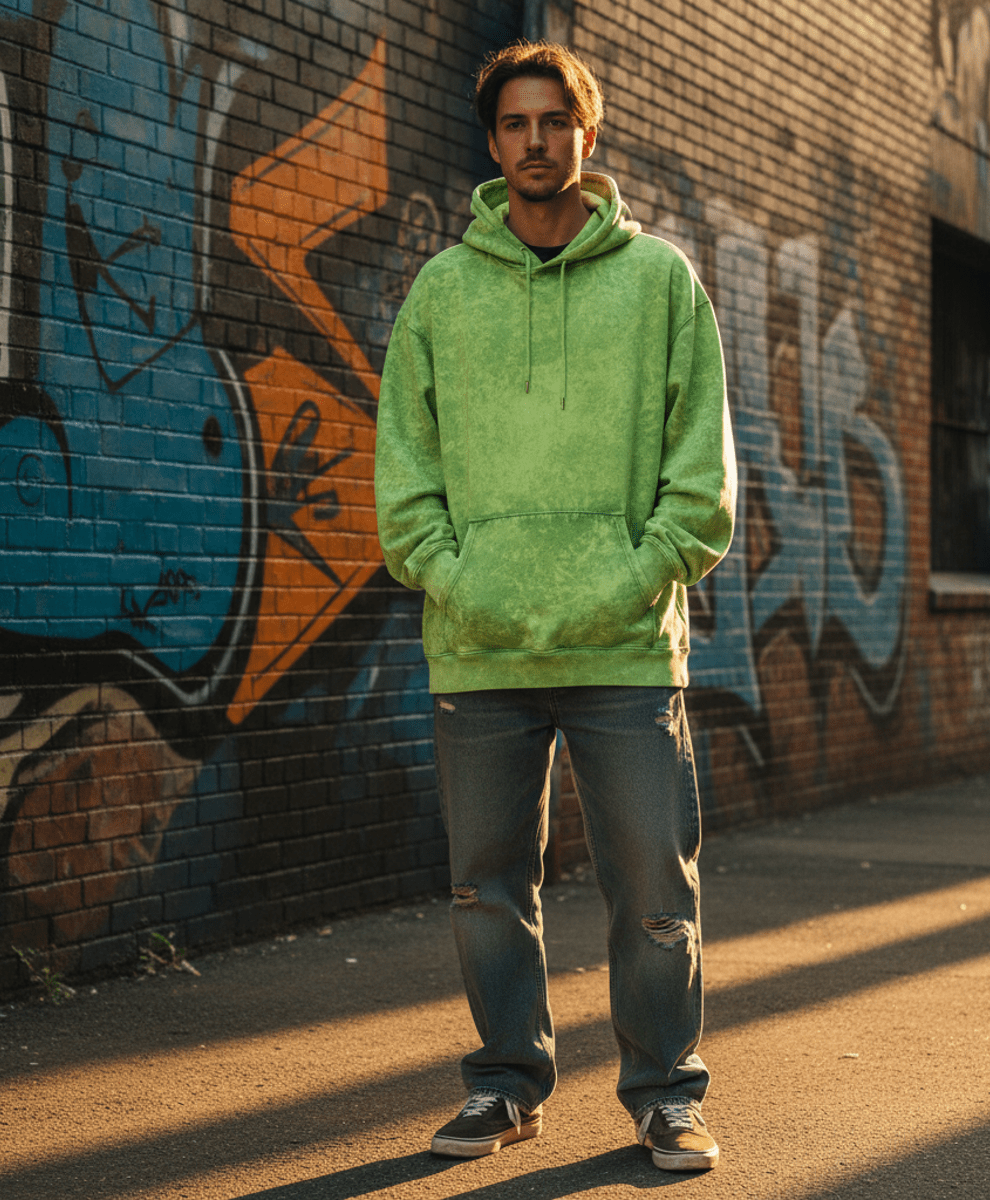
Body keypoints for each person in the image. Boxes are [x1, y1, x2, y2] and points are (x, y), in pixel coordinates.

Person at [374, 39, 735, 1173]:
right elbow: (404, 463)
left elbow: (703, 469)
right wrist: (456, 571)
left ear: (588, 136)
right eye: (515, 125)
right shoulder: (442, 290)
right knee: (488, 890)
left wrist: (642, 571)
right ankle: (504, 1088)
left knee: (654, 890)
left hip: (626, 646)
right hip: (481, 647)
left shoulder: (660, 281)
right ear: (493, 144)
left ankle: (667, 1095)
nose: (536, 142)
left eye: (554, 122)